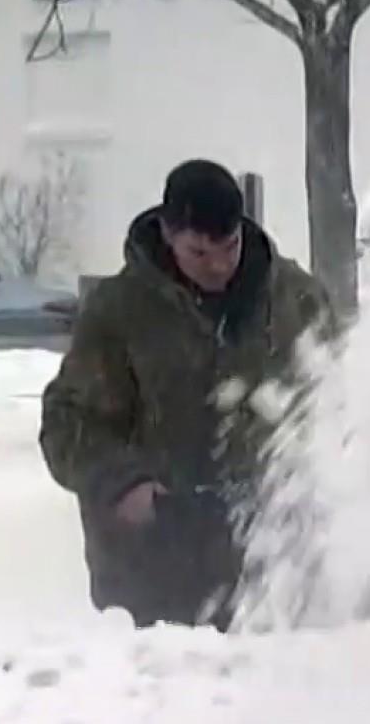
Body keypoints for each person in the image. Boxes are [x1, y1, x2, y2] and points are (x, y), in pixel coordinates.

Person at [40, 158, 336, 629]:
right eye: (199, 252)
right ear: (168, 234)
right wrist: (123, 483)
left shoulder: (295, 301)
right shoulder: (120, 313)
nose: (219, 264)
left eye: (230, 246)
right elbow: (68, 424)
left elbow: (339, 401)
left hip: (273, 571)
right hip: (152, 581)